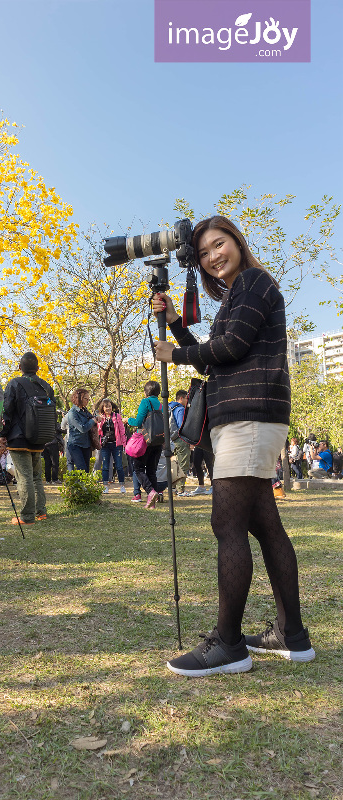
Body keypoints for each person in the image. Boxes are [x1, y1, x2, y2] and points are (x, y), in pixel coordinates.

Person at [152, 215, 315, 676]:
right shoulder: (242, 292)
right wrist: (176, 328)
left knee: (227, 527)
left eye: (218, 244)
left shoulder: (255, 283)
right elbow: (219, 353)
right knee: (265, 527)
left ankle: (228, 645)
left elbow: (231, 347)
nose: (212, 256)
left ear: (237, 242)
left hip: (248, 419)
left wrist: (176, 353)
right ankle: (292, 635)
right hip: (247, 418)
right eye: (203, 253)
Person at [0, 351, 54, 525]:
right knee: (36, 476)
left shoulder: (14, 383)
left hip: (19, 438)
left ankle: (27, 516)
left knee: (24, 477)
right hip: (39, 438)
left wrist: (2, 435)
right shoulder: (47, 386)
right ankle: (41, 511)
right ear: (38, 368)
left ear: (19, 367)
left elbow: (6, 411)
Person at [124, 381, 163, 509]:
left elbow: (138, 421)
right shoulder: (161, 405)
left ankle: (150, 492)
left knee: (138, 468)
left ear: (146, 392)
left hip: (145, 441)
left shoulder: (145, 402)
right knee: (152, 470)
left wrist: (127, 420)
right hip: (158, 441)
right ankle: (152, 504)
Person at [95, 398, 127, 494]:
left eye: (109, 406)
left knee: (119, 465)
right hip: (105, 445)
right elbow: (98, 431)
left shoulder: (117, 416)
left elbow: (122, 431)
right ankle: (105, 486)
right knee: (105, 466)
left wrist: (124, 445)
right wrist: (99, 421)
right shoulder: (101, 418)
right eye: (106, 406)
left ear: (112, 407)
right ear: (103, 408)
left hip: (116, 444)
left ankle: (122, 485)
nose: (108, 408)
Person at [66, 388, 96, 472]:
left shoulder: (85, 411)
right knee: (81, 469)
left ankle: (82, 485)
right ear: (79, 398)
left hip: (86, 444)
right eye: (86, 399)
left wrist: (96, 418)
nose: (87, 401)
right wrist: (93, 421)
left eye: (88, 399)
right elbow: (82, 428)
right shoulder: (72, 413)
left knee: (86, 471)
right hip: (75, 445)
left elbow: (92, 418)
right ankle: (75, 485)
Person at [168, 390, 191, 496]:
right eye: (186, 398)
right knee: (183, 464)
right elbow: (182, 426)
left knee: (174, 464)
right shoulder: (180, 409)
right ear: (181, 398)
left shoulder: (169, 407)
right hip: (180, 440)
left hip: (170, 440)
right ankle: (180, 489)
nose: (187, 400)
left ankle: (172, 488)